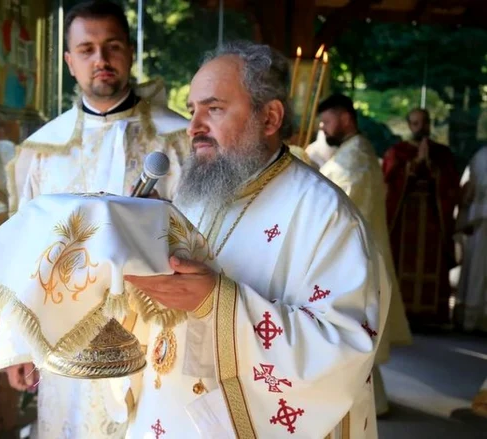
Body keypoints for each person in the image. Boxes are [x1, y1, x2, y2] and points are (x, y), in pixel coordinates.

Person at [122, 42, 390, 438]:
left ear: (269, 117)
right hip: (169, 416)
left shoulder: (326, 216)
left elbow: (345, 348)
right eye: (193, 109)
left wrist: (218, 304)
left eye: (213, 109)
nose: (194, 126)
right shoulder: (195, 194)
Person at [0, 1, 190, 437]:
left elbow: (203, 243)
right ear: (69, 62)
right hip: (66, 340)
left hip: (154, 334)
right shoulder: (42, 151)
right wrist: (17, 346)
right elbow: (22, 253)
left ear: (130, 53)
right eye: (86, 49)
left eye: (111, 46)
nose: (100, 60)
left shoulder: (177, 142)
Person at [316, 94, 412, 417]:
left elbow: (333, 201)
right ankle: (374, 399)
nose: (323, 128)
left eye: (327, 122)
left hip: (351, 254)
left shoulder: (354, 158)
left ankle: (363, 402)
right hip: (358, 252)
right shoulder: (352, 152)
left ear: (345, 119)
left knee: (351, 327)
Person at [383, 108, 460, 327]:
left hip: (433, 221)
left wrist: (433, 168)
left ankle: (431, 315)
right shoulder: (397, 152)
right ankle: (401, 315)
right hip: (405, 218)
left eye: (424, 122)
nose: (421, 127)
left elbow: (451, 186)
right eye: (416, 123)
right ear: (409, 125)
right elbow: (389, 184)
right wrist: (414, 164)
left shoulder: (442, 154)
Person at [454, 145, 487, 332]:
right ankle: (474, 318)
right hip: (481, 224)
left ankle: (473, 318)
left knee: (478, 269)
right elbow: (468, 192)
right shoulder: (481, 155)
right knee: (477, 270)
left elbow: (468, 192)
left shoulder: (479, 155)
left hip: (480, 221)